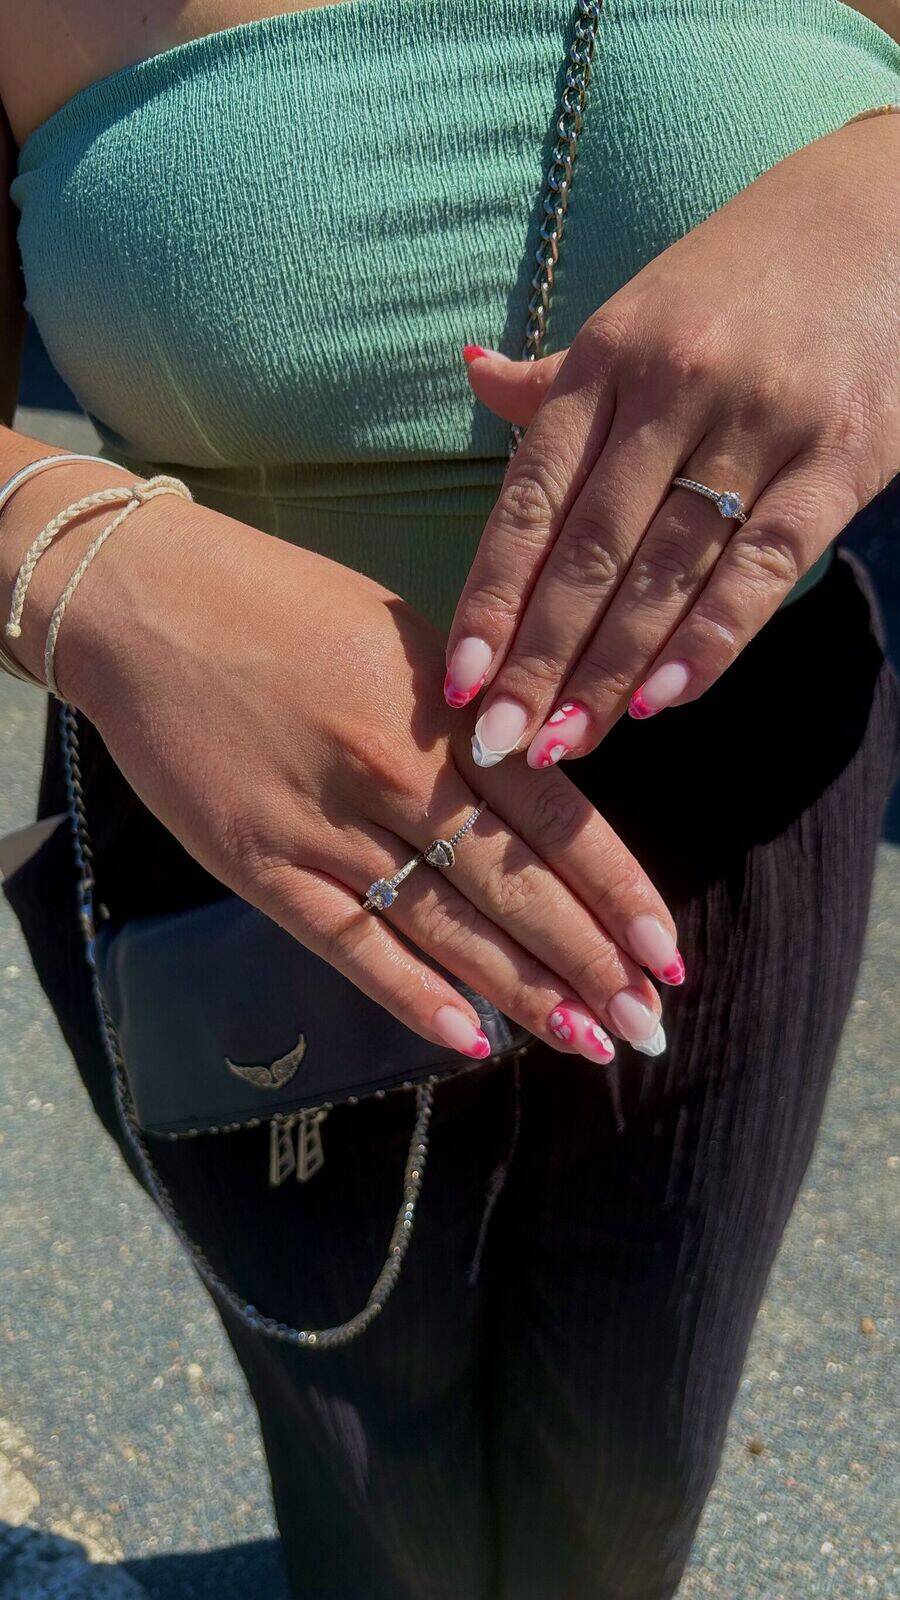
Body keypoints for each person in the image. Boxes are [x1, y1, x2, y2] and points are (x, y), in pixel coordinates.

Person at [0, 2, 897, 1594]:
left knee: (626, 1483)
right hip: (238, 832)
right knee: (365, 1485)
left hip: (747, 788)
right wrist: (95, 572)